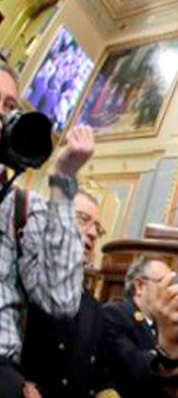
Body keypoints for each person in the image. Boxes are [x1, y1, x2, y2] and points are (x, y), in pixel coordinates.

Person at [0, 61, 92, 398]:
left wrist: (64, 177)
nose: (4, 116)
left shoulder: (23, 208)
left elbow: (62, 298)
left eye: (9, 106)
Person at [21, 188, 115, 398]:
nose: (92, 233)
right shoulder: (20, 279)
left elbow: (101, 372)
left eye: (97, 228)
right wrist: (19, 382)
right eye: (83, 219)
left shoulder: (93, 306)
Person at [103, 258, 178, 398]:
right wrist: (169, 348)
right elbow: (134, 370)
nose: (171, 291)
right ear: (140, 286)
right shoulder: (113, 314)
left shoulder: (165, 325)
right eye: (166, 283)